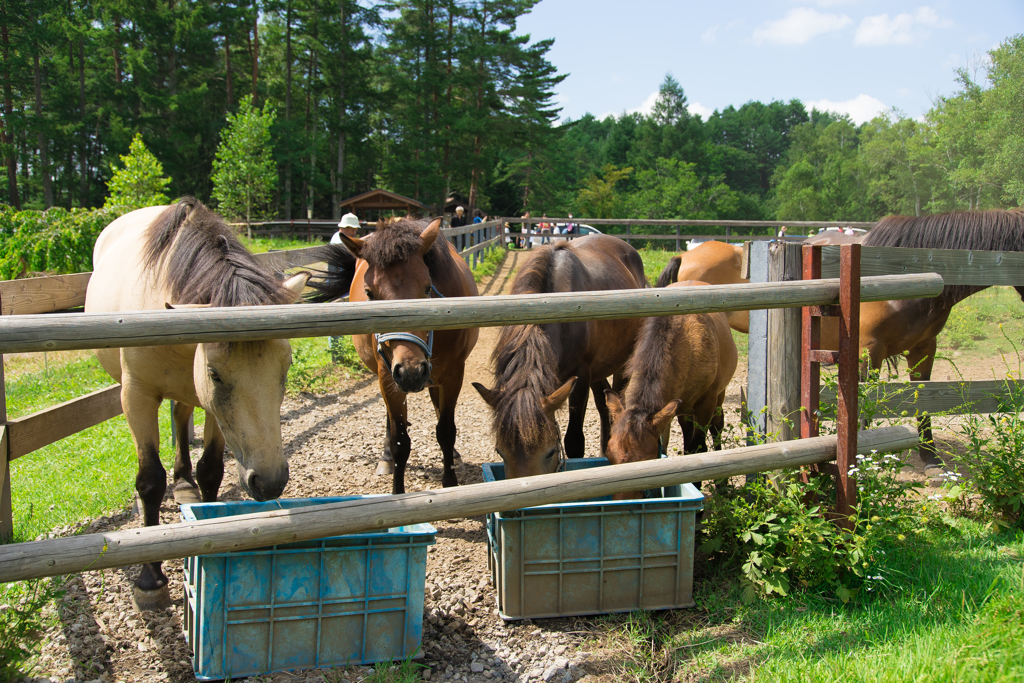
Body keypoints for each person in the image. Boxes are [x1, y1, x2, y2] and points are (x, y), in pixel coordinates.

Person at [329, 213, 360, 361]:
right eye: (352, 229)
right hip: (339, 283)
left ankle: (339, 352)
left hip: (341, 281)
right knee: (336, 317)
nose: (354, 232)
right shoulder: (339, 241)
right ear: (345, 228)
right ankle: (337, 354)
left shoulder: (339, 238)